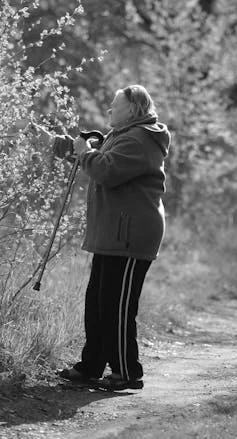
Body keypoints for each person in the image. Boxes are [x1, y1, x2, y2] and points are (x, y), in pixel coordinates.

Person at [52, 84, 170, 391]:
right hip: (114, 234)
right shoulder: (125, 136)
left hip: (131, 236)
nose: (109, 111)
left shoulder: (142, 140)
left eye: (114, 106)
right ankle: (91, 367)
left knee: (118, 307)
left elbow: (107, 170)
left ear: (131, 110)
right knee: (98, 303)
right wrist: (59, 144)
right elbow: (98, 154)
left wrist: (86, 153)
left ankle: (127, 372)